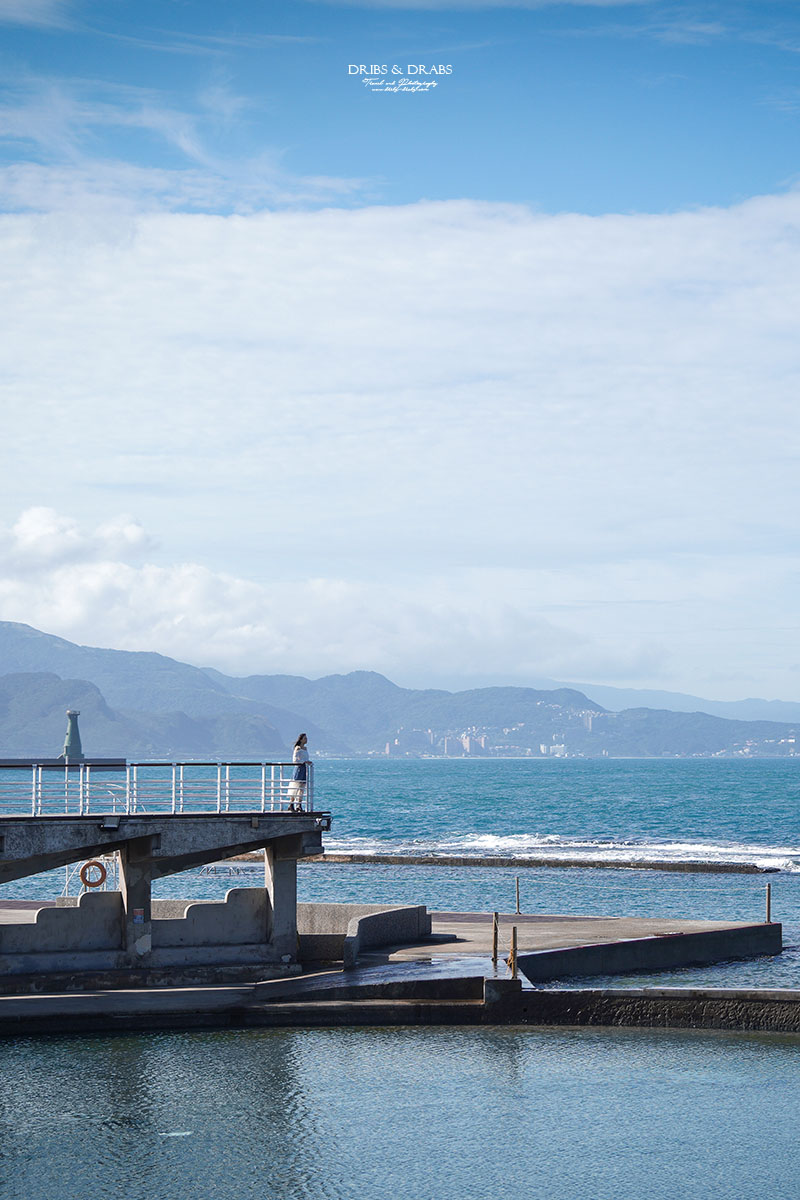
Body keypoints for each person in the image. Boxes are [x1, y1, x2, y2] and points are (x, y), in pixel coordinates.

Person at [288, 733, 309, 811]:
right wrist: (304, 762)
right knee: (295, 787)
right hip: (299, 768)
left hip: (304, 769)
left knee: (302, 788)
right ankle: (291, 804)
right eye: (305, 738)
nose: (306, 740)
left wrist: (307, 762)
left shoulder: (305, 748)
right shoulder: (298, 748)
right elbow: (295, 760)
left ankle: (299, 805)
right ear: (301, 739)